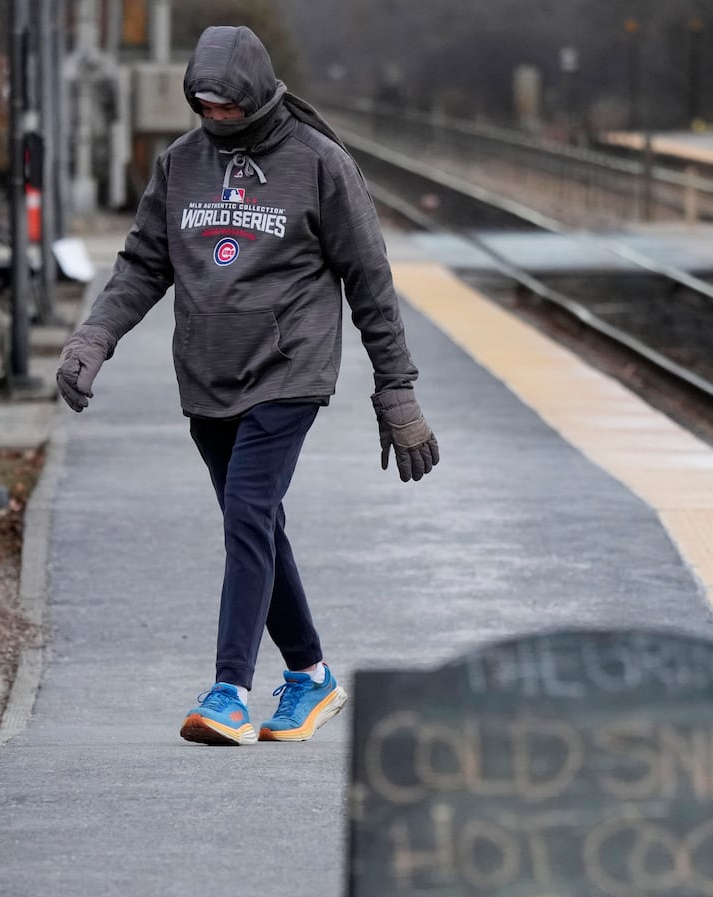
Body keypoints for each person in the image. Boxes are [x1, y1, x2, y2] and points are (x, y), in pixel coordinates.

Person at [55, 25, 439, 746]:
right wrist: (94, 338)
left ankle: (230, 689)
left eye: (230, 108)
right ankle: (313, 675)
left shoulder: (320, 163)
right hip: (206, 373)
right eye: (205, 107)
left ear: (259, 93)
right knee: (255, 523)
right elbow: (142, 263)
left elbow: (371, 281)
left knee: (248, 511)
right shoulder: (181, 164)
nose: (218, 118)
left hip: (288, 370)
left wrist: (399, 393)